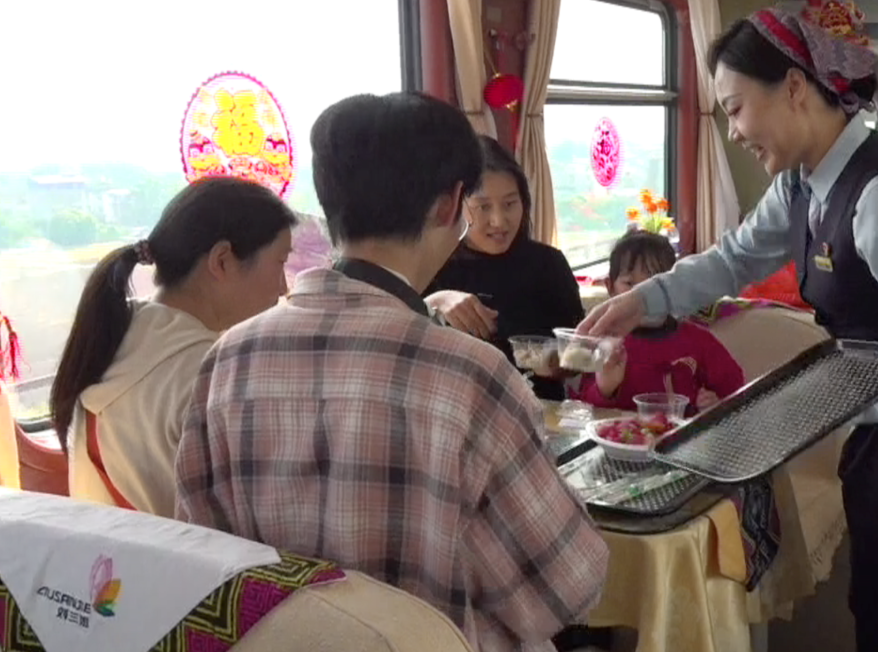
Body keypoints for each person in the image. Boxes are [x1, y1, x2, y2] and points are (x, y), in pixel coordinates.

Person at [578, 8, 878, 652]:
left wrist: (818, 407)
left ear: (794, 88)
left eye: (736, 109)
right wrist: (645, 299)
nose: (732, 132)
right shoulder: (801, 186)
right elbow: (734, 259)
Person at [174, 92, 608, 652]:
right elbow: (569, 585)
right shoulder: (472, 377)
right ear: (451, 206)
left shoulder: (227, 359)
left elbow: (206, 559)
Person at [50, 176, 296, 517]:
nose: (283, 288)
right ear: (222, 261)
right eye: (280, 263)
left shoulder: (112, 337)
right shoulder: (211, 373)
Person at [424, 136, 584, 400]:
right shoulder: (431, 267)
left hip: (538, 412)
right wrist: (434, 303)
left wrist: (557, 362)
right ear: (454, 206)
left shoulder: (549, 264)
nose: (499, 221)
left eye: (510, 204)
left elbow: (576, 357)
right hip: (456, 412)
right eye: (483, 207)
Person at [574, 231, 743, 414]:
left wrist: (716, 405)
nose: (641, 296)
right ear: (610, 287)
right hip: (619, 432)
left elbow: (737, 393)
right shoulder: (603, 343)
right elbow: (583, 410)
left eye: (654, 285)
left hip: (686, 432)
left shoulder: (699, 341)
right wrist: (604, 388)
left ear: (674, 288)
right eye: (629, 283)